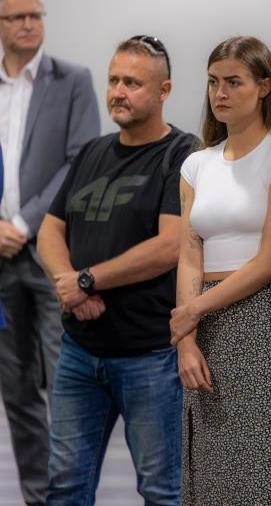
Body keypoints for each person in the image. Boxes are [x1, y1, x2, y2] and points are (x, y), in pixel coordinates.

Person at [36, 36, 194, 505]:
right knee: (65, 487)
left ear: (164, 90)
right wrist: (70, 287)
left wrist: (87, 280)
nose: (118, 92)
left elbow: (170, 245)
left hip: (150, 356)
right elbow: (50, 229)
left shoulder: (182, 153)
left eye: (133, 83)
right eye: (113, 80)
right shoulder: (93, 152)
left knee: (163, 491)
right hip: (79, 354)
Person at [170, 36, 271, 505]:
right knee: (212, 469)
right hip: (204, 323)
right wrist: (186, 339)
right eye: (213, 82)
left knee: (266, 466)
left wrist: (191, 313)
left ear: (264, 87)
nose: (220, 93)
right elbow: (189, 254)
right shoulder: (196, 164)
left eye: (234, 82)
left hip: (263, 318)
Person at [0, 0, 99, 505]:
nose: (28, 24)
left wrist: (23, 221)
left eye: (35, 15)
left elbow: (80, 161)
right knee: (15, 388)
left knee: (65, 383)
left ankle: (69, 495)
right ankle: (38, 497)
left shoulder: (73, 80)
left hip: (49, 253)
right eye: (17, 17)